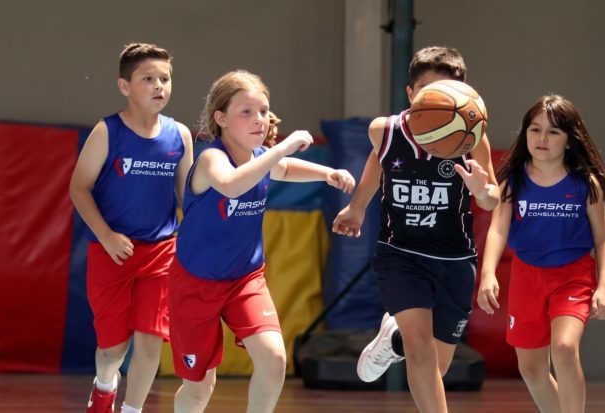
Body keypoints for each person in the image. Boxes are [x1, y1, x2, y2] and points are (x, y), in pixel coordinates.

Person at [168, 69, 354, 413]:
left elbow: (283, 169)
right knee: (198, 387)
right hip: (195, 284)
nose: (260, 120)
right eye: (247, 112)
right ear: (220, 118)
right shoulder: (212, 158)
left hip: (244, 280)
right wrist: (282, 145)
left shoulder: (260, 159)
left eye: (264, 112)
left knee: (273, 359)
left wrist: (326, 173)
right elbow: (234, 184)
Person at [332, 46, 499, 413]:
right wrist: (356, 208)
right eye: (429, 93)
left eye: (447, 94)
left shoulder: (472, 140)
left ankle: (393, 342)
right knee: (421, 354)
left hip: (455, 259)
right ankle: (404, 339)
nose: (439, 104)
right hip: (402, 255)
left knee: (433, 369)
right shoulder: (386, 131)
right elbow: (380, 162)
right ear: (411, 96)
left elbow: (491, 200)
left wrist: (481, 190)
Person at [69, 43, 194, 413]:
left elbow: (190, 198)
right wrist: (106, 235)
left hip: (160, 252)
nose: (159, 85)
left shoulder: (180, 136)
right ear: (124, 86)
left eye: (165, 79)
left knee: (152, 341)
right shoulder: (107, 132)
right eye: (148, 79)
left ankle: (132, 409)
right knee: (113, 349)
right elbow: (78, 187)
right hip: (111, 252)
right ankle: (104, 385)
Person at [477, 94, 605, 413]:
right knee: (532, 369)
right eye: (535, 129)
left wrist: (604, 286)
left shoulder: (586, 184)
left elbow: (604, 240)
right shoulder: (513, 180)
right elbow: (498, 229)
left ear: (569, 140)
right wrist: (487, 275)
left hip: (573, 277)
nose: (542, 138)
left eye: (553, 131)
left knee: (565, 348)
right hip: (527, 278)